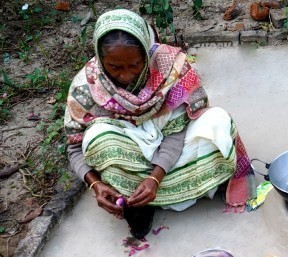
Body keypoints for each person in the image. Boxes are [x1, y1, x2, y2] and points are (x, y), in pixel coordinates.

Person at [65, 9, 256, 239]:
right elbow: (75, 146)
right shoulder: (86, 86)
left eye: (135, 65)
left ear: (146, 54)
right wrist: (95, 184)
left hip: (173, 147)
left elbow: (179, 129)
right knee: (97, 138)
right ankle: (140, 203)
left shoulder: (171, 69)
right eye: (114, 67)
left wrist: (155, 177)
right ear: (100, 58)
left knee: (219, 122)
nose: (125, 75)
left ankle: (157, 192)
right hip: (128, 157)